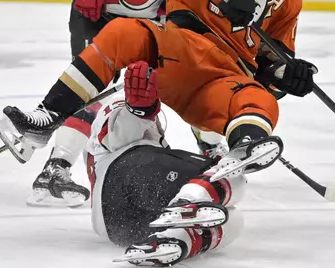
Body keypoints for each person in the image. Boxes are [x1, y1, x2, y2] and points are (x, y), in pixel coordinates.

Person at [0, 0, 315, 199]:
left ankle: (242, 143)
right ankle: (46, 118)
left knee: (257, 99)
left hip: (226, 74)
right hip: (180, 46)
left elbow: (272, 67)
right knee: (121, 35)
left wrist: (289, 75)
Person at [24, 0, 204, 208]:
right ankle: (56, 169)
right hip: (95, 15)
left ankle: (208, 152)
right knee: (90, 90)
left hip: (141, 26)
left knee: (167, 85)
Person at [86, 61, 245, 266]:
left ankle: (173, 240)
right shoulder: (118, 102)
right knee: (226, 174)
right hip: (119, 180)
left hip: (122, 226)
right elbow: (115, 137)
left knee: (232, 220)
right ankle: (182, 205)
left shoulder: (151, 136)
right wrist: (137, 109)